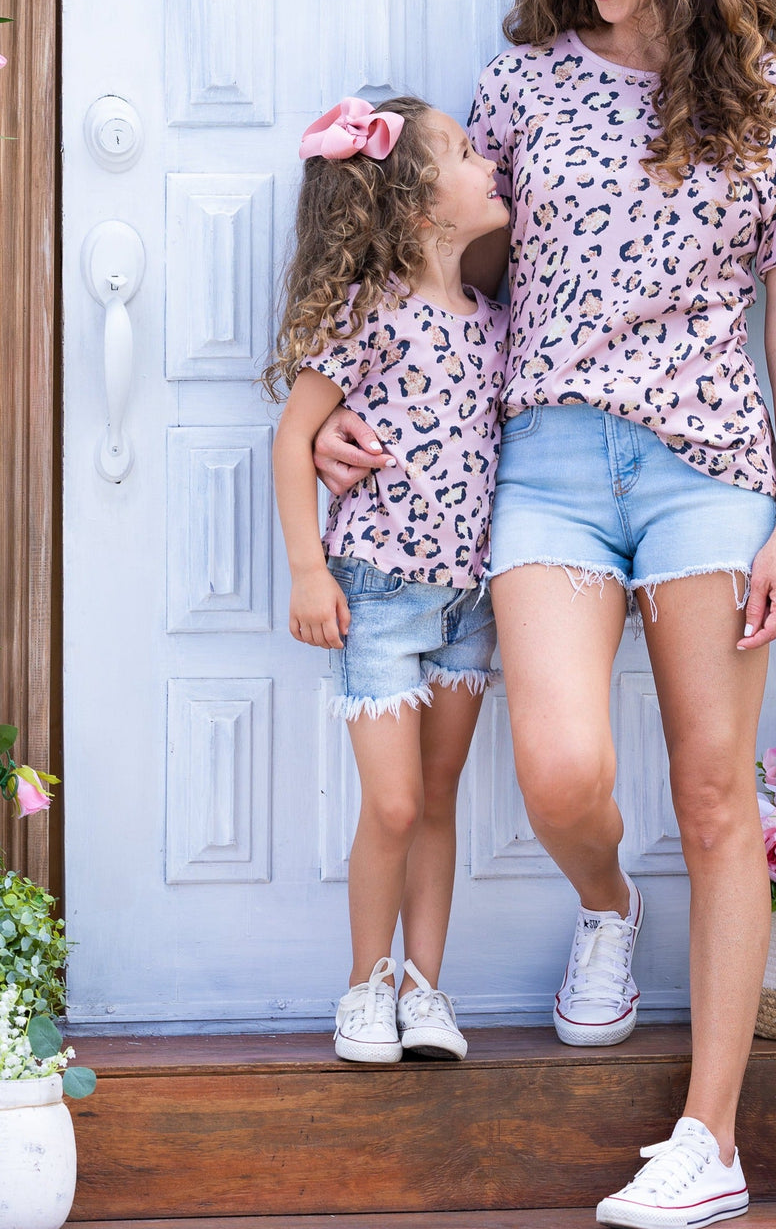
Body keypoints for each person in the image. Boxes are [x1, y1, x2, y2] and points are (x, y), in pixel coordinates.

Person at [314, 0, 776, 1223]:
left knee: (716, 792)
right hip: (544, 464)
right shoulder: (524, 87)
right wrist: (339, 409)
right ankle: (608, 907)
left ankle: (711, 1141)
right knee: (559, 772)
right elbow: (441, 279)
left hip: (709, 472)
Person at [266, 94, 509, 1066]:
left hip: (471, 604)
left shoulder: (496, 322)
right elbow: (294, 436)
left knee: (439, 798)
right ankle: (367, 981)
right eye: (464, 153)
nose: (486, 162)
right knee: (397, 804)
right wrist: (307, 570)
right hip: (377, 594)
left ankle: (424, 986)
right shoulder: (370, 312)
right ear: (417, 205)